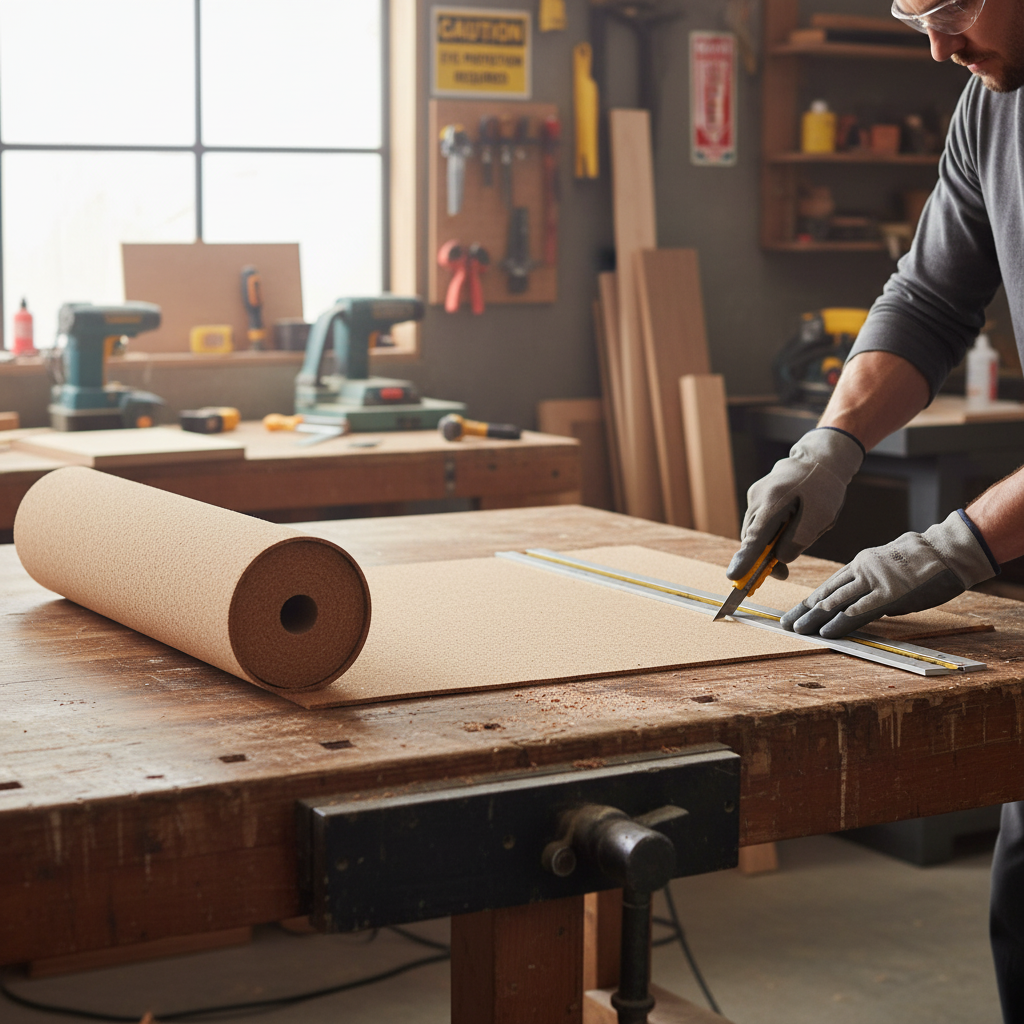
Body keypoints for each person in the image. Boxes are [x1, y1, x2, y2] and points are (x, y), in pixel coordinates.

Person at [726, 0, 1024, 1016]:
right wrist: (833, 441)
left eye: (952, 9)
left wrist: (958, 542)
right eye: (911, 15)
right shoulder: (988, 103)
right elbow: (931, 300)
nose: (936, 46)